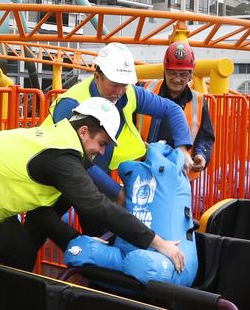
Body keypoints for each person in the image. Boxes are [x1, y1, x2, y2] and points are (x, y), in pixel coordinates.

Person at [0, 97, 185, 272]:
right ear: (83, 131)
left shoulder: (64, 142)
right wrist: (157, 242)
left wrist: (83, 240)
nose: (102, 152)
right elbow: (97, 205)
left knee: (20, 252)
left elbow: (47, 215)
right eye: (101, 143)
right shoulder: (61, 158)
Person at [44, 42, 195, 205]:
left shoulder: (128, 92)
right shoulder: (72, 104)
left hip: (91, 173)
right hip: (53, 174)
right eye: (114, 85)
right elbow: (81, 161)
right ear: (97, 77)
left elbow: (171, 109)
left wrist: (183, 150)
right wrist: (117, 192)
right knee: (47, 221)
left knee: (98, 223)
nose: (119, 92)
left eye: (124, 85)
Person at [137, 42, 216, 173]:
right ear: (164, 71)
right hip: (145, 167)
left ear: (191, 75)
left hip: (180, 173)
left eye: (183, 74)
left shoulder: (199, 101)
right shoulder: (145, 90)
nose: (176, 79)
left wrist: (201, 155)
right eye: (172, 73)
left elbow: (205, 137)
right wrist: (138, 146)